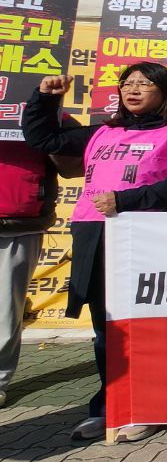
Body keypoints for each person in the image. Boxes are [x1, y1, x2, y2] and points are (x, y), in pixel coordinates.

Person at [22, 63, 167, 442]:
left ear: (166, 91)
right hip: (93, 232)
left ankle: (151, 406)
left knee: (146, 326)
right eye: (127, 83)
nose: (133, 89)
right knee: (106, 327)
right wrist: (45, 98)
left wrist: (127, 199)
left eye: (144, 83)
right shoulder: (103, 131)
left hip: (147, 236)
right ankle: (110, 407)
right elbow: (45, 140)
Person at [0, 134, 74, 407]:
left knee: (5, 307)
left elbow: (73, 167)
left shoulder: (44, 111)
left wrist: (45, 130)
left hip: (17, 223)